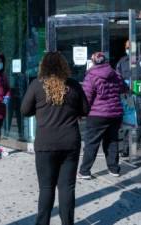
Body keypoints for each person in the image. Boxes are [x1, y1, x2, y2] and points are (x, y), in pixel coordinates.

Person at [21, 52, 89, 225]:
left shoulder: (37, 85)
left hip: (45, 144)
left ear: (43, 67)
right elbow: (85, 109)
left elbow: (24, 110)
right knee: (67, 188)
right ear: (63, 66)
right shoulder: (73, 85)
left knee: (46, 188)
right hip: (69, 143)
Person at [77, 52, 127, 180]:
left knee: (91, 143)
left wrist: (81, 112)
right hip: (115, 114)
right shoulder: (115, 74)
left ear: (93, 62)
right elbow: (124, 88)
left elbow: (87, 97)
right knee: (112, 141)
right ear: (105, 61)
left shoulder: (91, 76)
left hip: (97, 115)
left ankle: (85, 171)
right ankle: (114, 169)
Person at [116, 40, 141, 157]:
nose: (128, 49)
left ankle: (136, 143)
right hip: (127, 95)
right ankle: (126, 148)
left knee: (140, 119)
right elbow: (116, 76)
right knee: (128, 121)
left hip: (139, 95)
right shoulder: (122, 61)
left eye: (130, 47)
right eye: (127, 47)